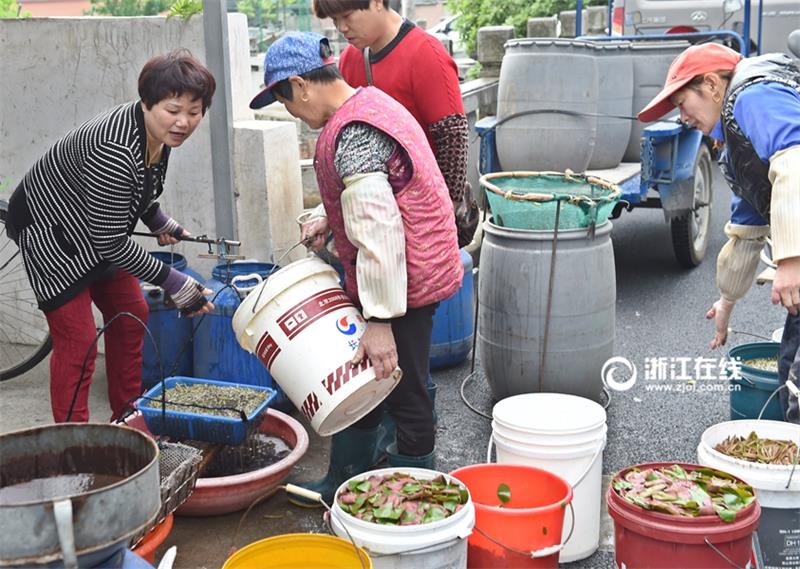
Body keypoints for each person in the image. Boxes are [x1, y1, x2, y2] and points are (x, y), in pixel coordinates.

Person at [249, 32, 463, 504]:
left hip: (405, 280)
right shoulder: (369, 103)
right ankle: (346, 478)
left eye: (284, 100)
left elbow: (380, 233)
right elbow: (385, 188)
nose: (291, 113)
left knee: (403, 387)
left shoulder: (352, 134)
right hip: (414, 267)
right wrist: (331, 216)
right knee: (368, 374)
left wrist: (381, 320)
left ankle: (412, 502)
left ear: (301, 85)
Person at [6, 49, 216, 423]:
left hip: (97, 225)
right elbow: (112, 242)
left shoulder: (156, 133)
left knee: (131, 312)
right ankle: (75, 446)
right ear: (147, 103)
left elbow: (139, 187)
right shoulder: (115, 149)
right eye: (173, 110)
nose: (184, 121)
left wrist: (157, 220)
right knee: (79, 341)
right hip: (51, 231)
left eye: (194, 111)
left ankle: (126, 419)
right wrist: (174, 282)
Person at [638, 43, 800, 423]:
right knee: (789, 369)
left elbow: (795, 161)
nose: (683, 118)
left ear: (711, 84)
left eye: (682, 103)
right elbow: (747, 229)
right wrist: (727, 301)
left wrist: (791, 259)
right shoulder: (734, 140)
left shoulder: (750, 94)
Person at [313, 0, 478, 249]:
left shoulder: (425, 53)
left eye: (347, 16)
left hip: (426, 223)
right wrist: (328, 215)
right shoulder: (349, 61)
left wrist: (439, 223)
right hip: (377, 220)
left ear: (378, 2)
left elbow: (452, 141)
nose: (341, 28)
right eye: (335, 21)